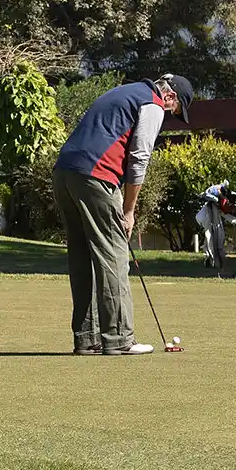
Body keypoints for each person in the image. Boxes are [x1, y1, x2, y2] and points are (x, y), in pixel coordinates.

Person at [53, 73, 192, 355]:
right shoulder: (152, 104)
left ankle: (87, 338)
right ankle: (119, 339)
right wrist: (129, 211)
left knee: (82, 255)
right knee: (114, 254)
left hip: (64, 173)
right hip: (96, 175)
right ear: (170, 97)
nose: (168, 115)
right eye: (174, 111)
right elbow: (139, 157)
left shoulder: (125, 91)